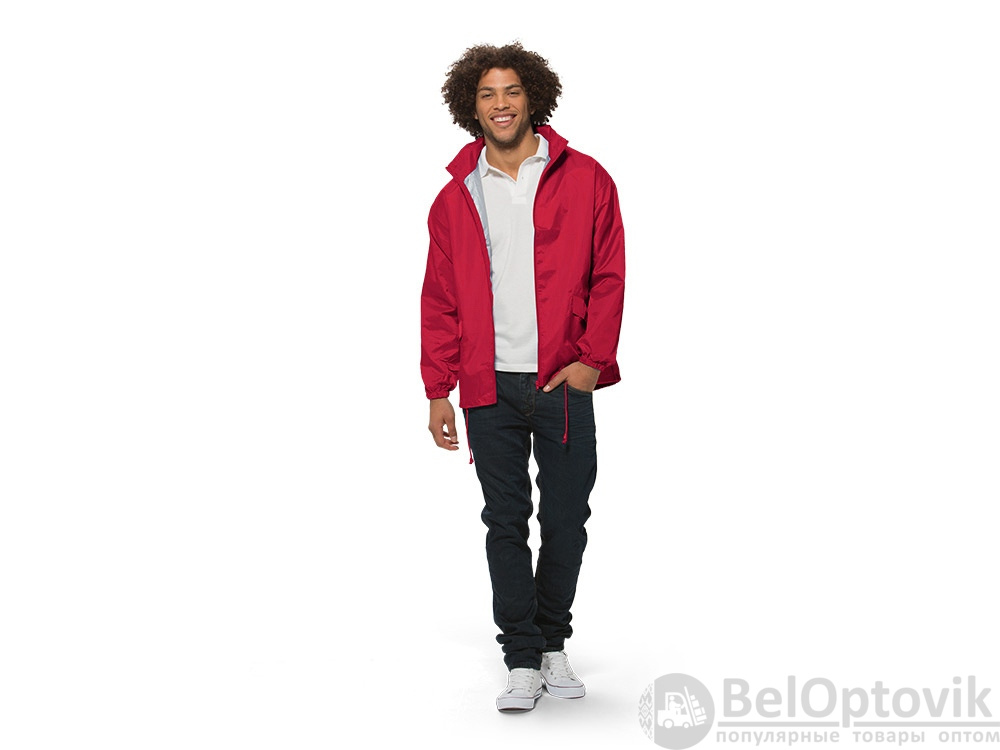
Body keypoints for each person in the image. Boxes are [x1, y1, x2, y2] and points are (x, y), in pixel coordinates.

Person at [420, 42, 625, 712]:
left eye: (511, 90)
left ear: (533, 96)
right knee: (504, 521)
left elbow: (609, 274)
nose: (501, 103)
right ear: (470, 106)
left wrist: (591, 361)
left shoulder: (587, 178)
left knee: (567, 517)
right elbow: (440, 297)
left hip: (561, 381)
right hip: (487, 387)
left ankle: (553, 641)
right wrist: (437, 388)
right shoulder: (456, 195)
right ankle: (522, 657)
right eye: (487, 93)